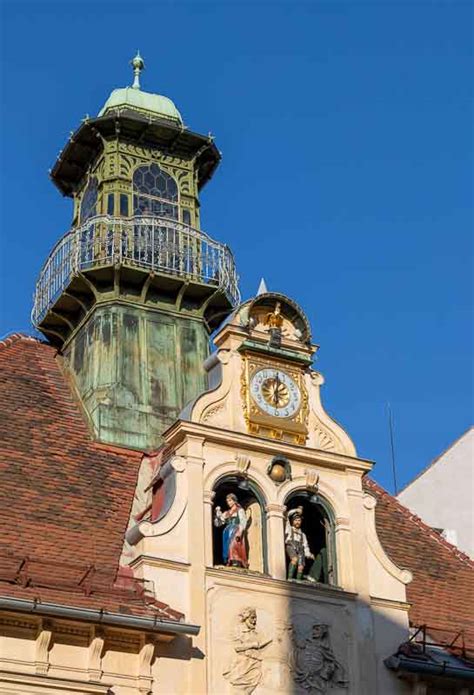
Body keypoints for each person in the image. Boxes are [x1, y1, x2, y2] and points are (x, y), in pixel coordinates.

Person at [223, 607, 272, 694]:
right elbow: (237, 647)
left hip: (255, 664)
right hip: (243, 664)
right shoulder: (238, 630)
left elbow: (262, 644)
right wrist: (252, 645)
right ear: (246, 618)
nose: (255, 621)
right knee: (239, 687)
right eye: (252, 618)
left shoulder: (256, 633)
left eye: (255, 618)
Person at [214, 493, 248, 568]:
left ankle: (236, 560)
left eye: (230, 501)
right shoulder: (227, 512)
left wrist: (241, 531)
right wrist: (217, 514)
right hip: (227, 531)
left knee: (234, 545)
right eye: (227, 501)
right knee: (227, 546)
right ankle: (229, 560)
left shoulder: (240, 510)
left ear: (234, 501)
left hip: (236, 530)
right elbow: (218, 523)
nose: (228, 503)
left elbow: (243, 521)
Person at [285, 507, 314, 580]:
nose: (297, 522)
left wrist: (309, 554)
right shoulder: (289, 528)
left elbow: (305, 545)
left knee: (301, 566)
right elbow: (288, 515)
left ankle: (298, 581)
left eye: (299, 520)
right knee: (294, 559)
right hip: (291, 546)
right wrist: (296, 510)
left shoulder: (302, 534)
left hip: (300, 549)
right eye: (295, 520)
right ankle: (290, 578)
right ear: (292, 521)